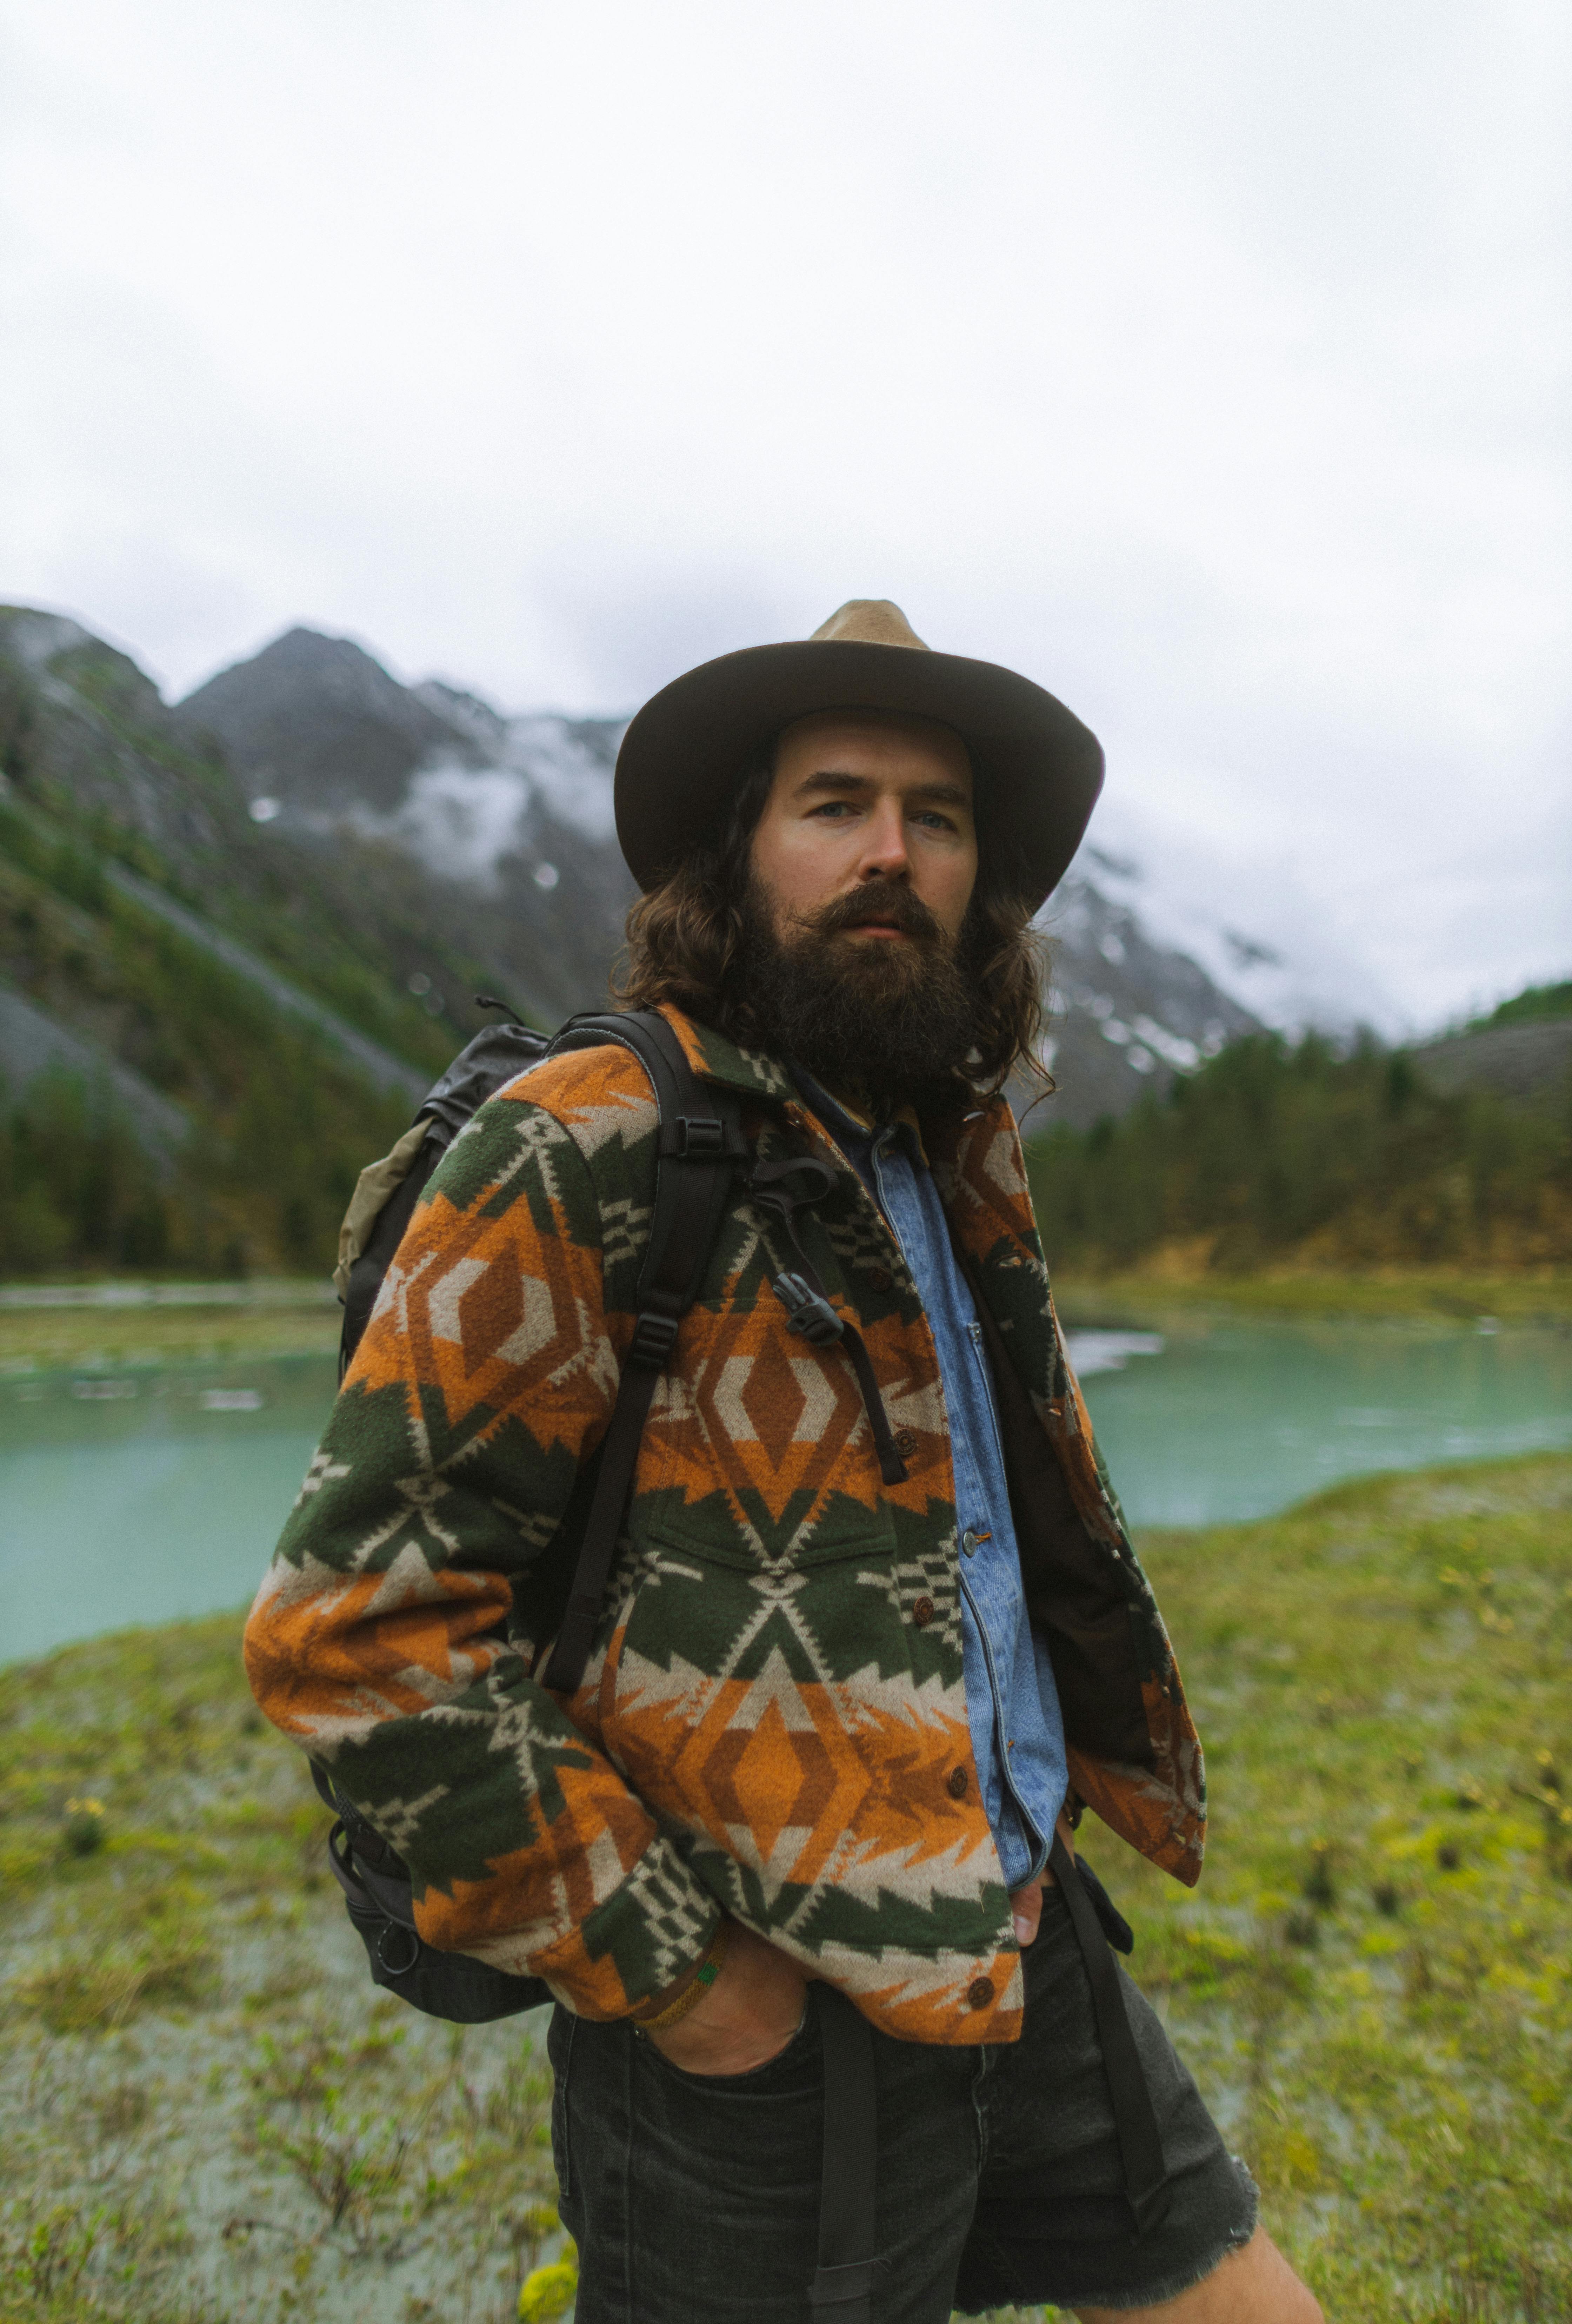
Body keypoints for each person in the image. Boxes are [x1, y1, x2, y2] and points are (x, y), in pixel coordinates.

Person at [244, 600, 1321, 2322]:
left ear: (982, 880)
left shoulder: (943, 1148)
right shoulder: (586, 1141)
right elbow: (351, 1630)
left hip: (1022, 1929)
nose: (890, 852)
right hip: (757, 2037)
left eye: (939, 818)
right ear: (735, 857)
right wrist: (684, 1982)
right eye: (834, 804)